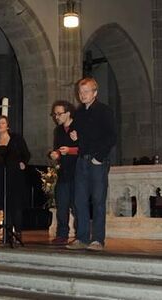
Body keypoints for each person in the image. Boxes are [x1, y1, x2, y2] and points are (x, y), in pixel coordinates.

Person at [66, 77, 116, 251]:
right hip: (82, 161)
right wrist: (75, 137)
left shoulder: (104, 111)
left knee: (98, 201)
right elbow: (79, 134)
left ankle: (98, 240)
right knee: (79, 200)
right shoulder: (79, 112)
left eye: (86, 91)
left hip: (97, 161)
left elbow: (111, 137)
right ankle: (81, 237)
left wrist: (99, 157)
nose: (82, 95)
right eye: (80, 92)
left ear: (95, 92)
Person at [0, 115, 30, 242]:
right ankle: (2, 231)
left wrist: (23, 162)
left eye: (2, 123)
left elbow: (26, 154)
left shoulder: (16, 139)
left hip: (15, 174)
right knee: (1, 202)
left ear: (7, 126)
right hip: (1, 174)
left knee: (15, 203)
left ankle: (16, 231)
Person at [49, 100, 79, 245]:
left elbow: (85, 148)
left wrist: (70, 150)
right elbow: (58, 149)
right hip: (64, 172)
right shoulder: (58, 130)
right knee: (61, 205)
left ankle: (81, 234)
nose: (56, 117)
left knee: (77, 205)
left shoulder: (78, 126)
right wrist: (56, 154)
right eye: (54, 114)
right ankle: (62, 234)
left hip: (77, 171)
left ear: (68, 113)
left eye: (59, 114)